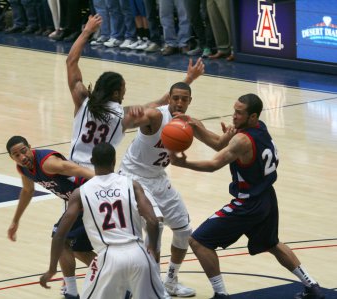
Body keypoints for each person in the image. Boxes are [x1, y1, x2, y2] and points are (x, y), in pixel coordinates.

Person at [169, 94, 325, 299]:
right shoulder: (260, 128)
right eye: (234, 110)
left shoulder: (242, 140)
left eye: (239, 113)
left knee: (199, 241)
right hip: (267, 197)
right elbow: (219, 143)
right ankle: (312, 286)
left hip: (248, 203)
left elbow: (213, 164)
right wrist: (195, 125)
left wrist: (183, 163)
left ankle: (221, 294)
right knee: (272, 244)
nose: (234, 116)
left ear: (252, 116)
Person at [118, 78, 230, 297]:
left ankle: (171, 280)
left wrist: (230, 133)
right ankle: (153, 285)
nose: (179, 102)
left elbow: (218, 144)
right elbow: (123, 118)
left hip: (158, 178)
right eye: (175, 98)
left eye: (184, 99)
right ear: (169, 98)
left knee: (183, 230)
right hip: (134, 177)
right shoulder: (156, 116)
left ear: (189, 101)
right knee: (156, 225)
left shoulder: (190, 122)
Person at [67, 13, 205, 168]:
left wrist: (87, 31)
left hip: (71, 168)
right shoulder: (124, 115)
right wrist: (189, 79)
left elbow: (71, 61)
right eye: (123, 89)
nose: (125, 93)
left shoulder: (83, 100)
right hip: (96, 176)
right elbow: (163, 101)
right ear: (116, 93)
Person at [40, 142, 167, 299]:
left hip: (108, 257)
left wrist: (52, 269)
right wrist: (152, 251)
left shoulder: (81, 193)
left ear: (92, 161)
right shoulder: (132, 185)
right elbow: (153, 221)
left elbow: (60, 235)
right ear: (114, 161)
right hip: (139, 254)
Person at [6, 135, 96, 299]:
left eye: (24, 151)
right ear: (11, 157)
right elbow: (27, 191)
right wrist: (15, 221)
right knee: (78, 249)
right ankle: (116, 278)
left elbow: (78, 170)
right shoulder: (24, 169)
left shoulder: (48, 163)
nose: (22, 157)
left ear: (30, 147)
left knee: (60, 239)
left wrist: (110, 182)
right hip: (79, 203)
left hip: (89, 199)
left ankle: (71, 292)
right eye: (16, 155)